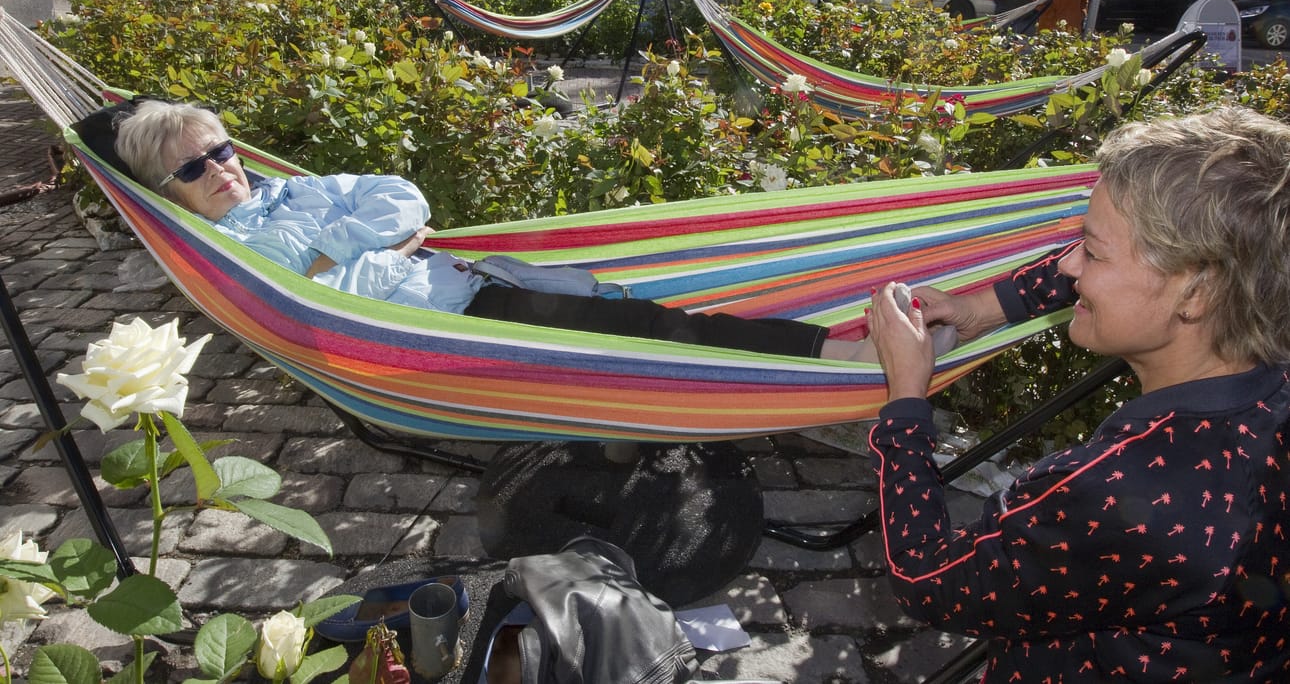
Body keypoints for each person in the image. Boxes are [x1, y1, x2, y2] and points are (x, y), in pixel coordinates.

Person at [865, 106, 1290, 682]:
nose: (1069, 265)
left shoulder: (1121, 488)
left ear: (1198, 290)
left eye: (1091, 250)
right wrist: (987, 309)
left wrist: (906, 402)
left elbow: (927, 579)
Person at [114, 100, 883, 363]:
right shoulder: (236, 253)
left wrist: (343, 244)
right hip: (448, 323)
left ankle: (817, 344)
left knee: (645, 307)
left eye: (222, 150)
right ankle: (830, 353)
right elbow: (321, 297)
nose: (222, 170)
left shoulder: (299, 190)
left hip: (471, 281)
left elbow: (403, 197)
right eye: (195, 171)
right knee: (647, 331)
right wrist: (367, 245)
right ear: (169, 197)